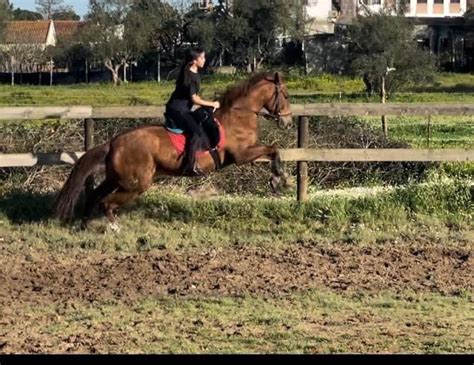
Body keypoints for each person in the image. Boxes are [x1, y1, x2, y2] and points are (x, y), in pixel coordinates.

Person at [165, 47, 220, 175]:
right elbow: (195, 99)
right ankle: (190, 165)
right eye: (202, 58)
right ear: (194, 61)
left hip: (180, 108)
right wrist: (212, 103)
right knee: (196, 132)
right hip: (178, 111)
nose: (204, 60)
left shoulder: (191, 72)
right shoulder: (191, 76)